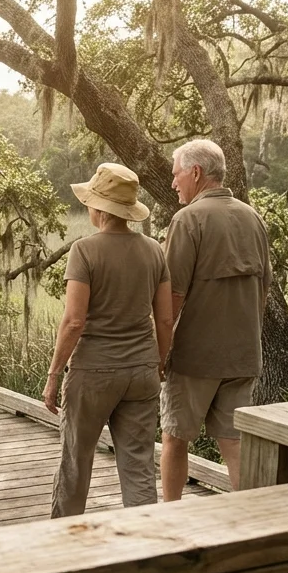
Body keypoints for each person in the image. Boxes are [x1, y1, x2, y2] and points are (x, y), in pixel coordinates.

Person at [44, 163, 175, 517]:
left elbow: (73, 321)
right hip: (142, 372)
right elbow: (164, 318)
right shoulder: (153, 251)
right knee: (138, 465)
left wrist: (54, 374)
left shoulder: (85, 251)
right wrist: (159, 362)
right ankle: (145, 545)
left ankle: (64, 543)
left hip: (93, 372)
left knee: (76, 461)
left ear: (99, 208)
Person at [158, 139, 272, 499]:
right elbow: (264, 288)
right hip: (243, 355)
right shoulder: (253, 217)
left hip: (195, 358)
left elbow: (171, 296)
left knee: (175, 437)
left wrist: (160, 352)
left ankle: (170, 518)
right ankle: (248, 520)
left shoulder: (187, 219)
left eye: (176, 174)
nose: (174, 182)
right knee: (234, 441)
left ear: (195, 172)